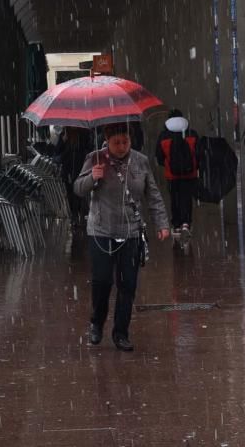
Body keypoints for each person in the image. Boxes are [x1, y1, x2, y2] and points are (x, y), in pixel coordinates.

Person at [74, 121, 170, 351]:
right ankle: (96, 323)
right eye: (116, 143)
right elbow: (78, 188)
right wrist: (92, 178)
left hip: (130, 231)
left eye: (125, 141)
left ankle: (121, 333)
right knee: (102, 280)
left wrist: (162, 223)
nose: (121, 146)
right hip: (101, 230)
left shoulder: (141, 161)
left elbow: (153, 195)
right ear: (106, 140)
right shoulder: (95, 158)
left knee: (127, 284)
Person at [154, 113, 200, 238]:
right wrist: (195, 167)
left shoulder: (164, 136)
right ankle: (186, 223)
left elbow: (159, 156)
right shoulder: (192, 134)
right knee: (187, 198)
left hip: (172, 175)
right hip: (190, 174)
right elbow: (199, 153)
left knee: (175, 199)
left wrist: (168, 164)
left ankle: (176, 225)